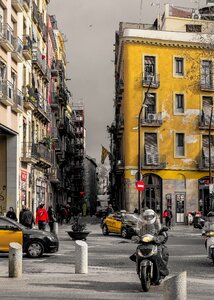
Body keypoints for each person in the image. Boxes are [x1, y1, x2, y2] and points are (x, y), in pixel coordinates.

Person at [130, 209, 169, 276]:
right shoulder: (142, 222)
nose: (148, 217)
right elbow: (138, 228)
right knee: (136, 252)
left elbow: (159, 229)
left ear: (153, 216)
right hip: (145, 239)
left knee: (163, 251)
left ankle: (162, 271)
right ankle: (138, 265)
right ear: (144, 217)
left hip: (154, 239)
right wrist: (136, 232)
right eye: (147, 216)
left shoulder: (156, 221)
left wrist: (160, 234)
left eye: (150, 216)